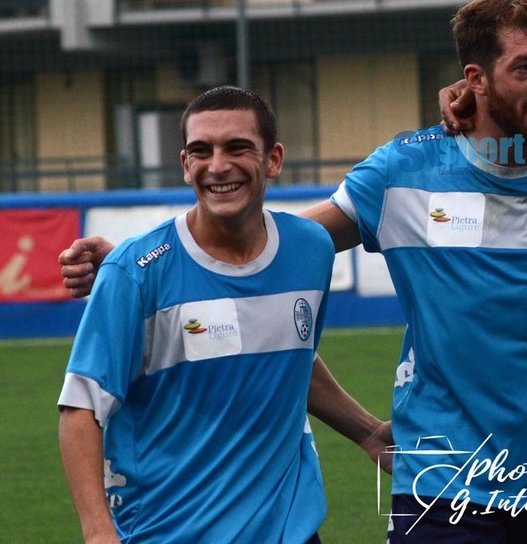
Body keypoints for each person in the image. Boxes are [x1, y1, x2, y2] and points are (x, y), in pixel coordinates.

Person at [60, 0, 527, 543]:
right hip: (442, 488)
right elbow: (268, 248)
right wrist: (136, 263)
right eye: (524, 67)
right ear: (474, 80)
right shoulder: (403, 173)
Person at [57, 87, 389, 544]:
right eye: (201, 151)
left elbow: (289, 358)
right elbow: (81, 409)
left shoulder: (310, 249)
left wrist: (368, 433)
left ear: (273, 159)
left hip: (291, 532)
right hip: (170, 533)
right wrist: (98, 534)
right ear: (185, 164)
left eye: (237, 147)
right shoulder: (136, 272)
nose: (217, 165)